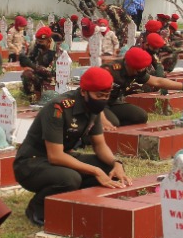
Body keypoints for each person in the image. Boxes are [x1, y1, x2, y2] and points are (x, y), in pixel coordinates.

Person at [14, 66, 131, 226]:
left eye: (106, 96)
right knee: (70, 179)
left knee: (108, 169)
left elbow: (99, 144)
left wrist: (116, 163)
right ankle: (37, 208)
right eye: (99, 95)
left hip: (62, 157)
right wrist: (94, 171)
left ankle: (75, 200)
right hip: (32, 163)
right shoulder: (59, 108)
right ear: (84, 91)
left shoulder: (93, 108)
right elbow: (55, 156)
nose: (102, 100)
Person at [100, 45, 183, 127]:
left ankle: (113, 127)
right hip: (96, 105)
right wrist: (103, 119)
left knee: (140, 116)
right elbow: (94, 99)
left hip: (112, 102)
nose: (143, 70)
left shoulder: (135, 70)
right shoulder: (110, 71)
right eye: (140, 69)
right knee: (113, 122)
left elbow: (157, 81)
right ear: (131, 66)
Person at [19, 26, 58, 103]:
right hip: (38, 75)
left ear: (49, 41)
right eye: (38, 41)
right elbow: (30, 59)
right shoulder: (35, 46)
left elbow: (50, 73)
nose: (39, 44)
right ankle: (32, 98)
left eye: (41, 42)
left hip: (52, 79)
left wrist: (31, 65)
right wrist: (23, 60)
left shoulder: (56, 52)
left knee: (48, 94)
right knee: (26, 74)